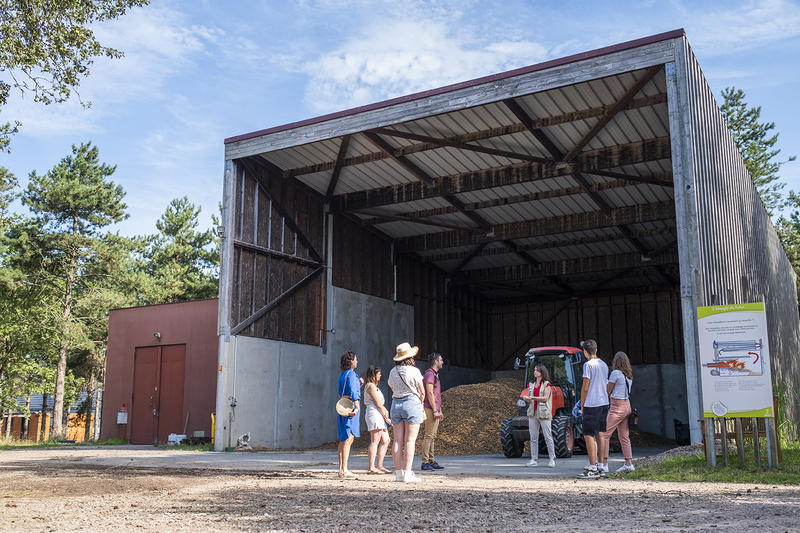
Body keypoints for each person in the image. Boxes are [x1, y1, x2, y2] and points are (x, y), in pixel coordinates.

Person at [387, 342, 425, 483]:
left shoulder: (392, 371)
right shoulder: (414, 371)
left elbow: (391, 386)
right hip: (411, 403)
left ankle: (398, 474)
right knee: (410, 440)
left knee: (397, 440)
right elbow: (422, 392)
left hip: (396, 404)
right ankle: (408, 473)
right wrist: (420, 402)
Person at [577, 339, 609, 479]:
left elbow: (585, 385)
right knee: (600, 433)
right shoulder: (604, 364)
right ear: (596, 349)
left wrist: (582, 404)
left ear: (585, 352)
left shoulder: (588, 365)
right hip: (604, 402)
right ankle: (601, 466)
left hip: (592, 403)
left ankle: (592, 466)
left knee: (588, 434)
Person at [599, 351, 635, 473]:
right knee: (624, 436)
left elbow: (607, 391)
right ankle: (628, 463)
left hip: (617, 406)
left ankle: (603, 463)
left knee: (604, 434)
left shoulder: (615, 373)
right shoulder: (628, 376)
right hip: (627, 406)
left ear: (616, 362)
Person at [525, 364, 556, 468]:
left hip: (544, 413)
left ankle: (552, 459)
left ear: (541, 373)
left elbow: (545, 398)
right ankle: (534, 459)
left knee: (548, 436)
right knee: (533, 437)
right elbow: (530, 398)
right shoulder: (532, 385)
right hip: (533, 413)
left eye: (536, 370)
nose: (534, 372)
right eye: (534, 370)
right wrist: (527, 398)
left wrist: (532, 397)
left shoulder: (547, 385)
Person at [364, 365, 392, 474]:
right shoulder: (370, 386)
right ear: (373, 375)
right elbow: (378, 404)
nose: (380, 375)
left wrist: (385, 416)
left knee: (386, 440)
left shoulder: (375, 386)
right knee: (375, 440)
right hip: (374, 413)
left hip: (378, 414)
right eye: (378, 373)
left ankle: (379, 465)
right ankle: (371, 467)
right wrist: (386, 417)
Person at [336, 350, 361, 478]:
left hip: (342, 404)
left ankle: (341, 468)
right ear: (351, 361)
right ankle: (344, 468)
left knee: (343, 438)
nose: (357, 361)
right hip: (350, 406)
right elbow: (353, 390)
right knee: (348, 437)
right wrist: (356, 407)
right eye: (355, 359)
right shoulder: (351, 374)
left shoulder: (343, 374)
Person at [421, 352, 445, 471]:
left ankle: (431, 460)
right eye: (441, 360)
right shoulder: (430, 375)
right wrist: (435, 410)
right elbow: (429, 393)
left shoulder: (434, 375)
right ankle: (425, 461)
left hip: (435, 408)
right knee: (429, 435)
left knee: (433, 436)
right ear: (435, 361)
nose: (442, 362)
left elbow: (435, 394)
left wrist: (439, 410)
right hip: (430, 408)